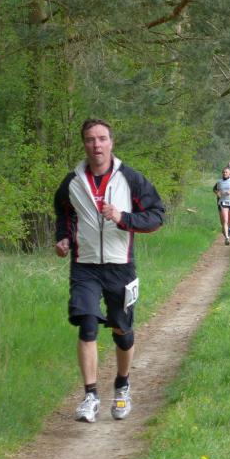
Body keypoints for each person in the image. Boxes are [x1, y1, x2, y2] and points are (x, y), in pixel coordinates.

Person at [54, 118, 165, 423]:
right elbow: (63, 213)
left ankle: (122, 385)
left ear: (111, 142)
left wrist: (123, 217)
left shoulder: (131, 179)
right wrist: (63, 238)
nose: (96, 145)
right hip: (85, 265)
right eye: (90, 139)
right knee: (87, 324)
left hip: (121, 266)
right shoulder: (72, 181)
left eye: (102, 138)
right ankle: (90, 396)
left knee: (122, 331)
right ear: (84, 144)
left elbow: (157, 216)